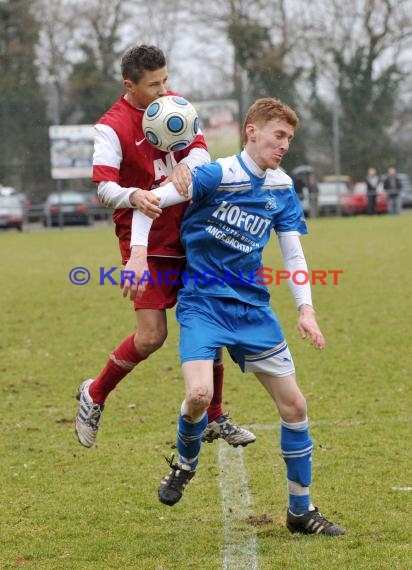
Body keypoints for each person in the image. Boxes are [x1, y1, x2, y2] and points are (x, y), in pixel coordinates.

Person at [124, 97, 346, 536]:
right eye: (278, 135)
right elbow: (148, 203)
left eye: (289, 139)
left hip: (251, 309)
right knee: (200, 396)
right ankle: (185, 463)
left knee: (295, 405)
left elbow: (293, 251)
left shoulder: (281, 188)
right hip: (203, 304)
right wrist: (136, 255)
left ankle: (300, 511)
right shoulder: (214, 175)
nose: (284, 145)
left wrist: (307, 310)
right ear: (252, 131)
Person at [75, 44, 255, 449]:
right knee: (151, 336)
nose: (164, 90)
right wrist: (134, 195)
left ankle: (214, 415)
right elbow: (104, 187)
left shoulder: (177, 106)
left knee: (208, 323)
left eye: (166, 80)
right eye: (154, 84)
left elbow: (200, 151)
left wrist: (189, 167)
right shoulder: (111, 126)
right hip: (146, 242)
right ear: (129, 85)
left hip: (190, 232)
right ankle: (95, 394)